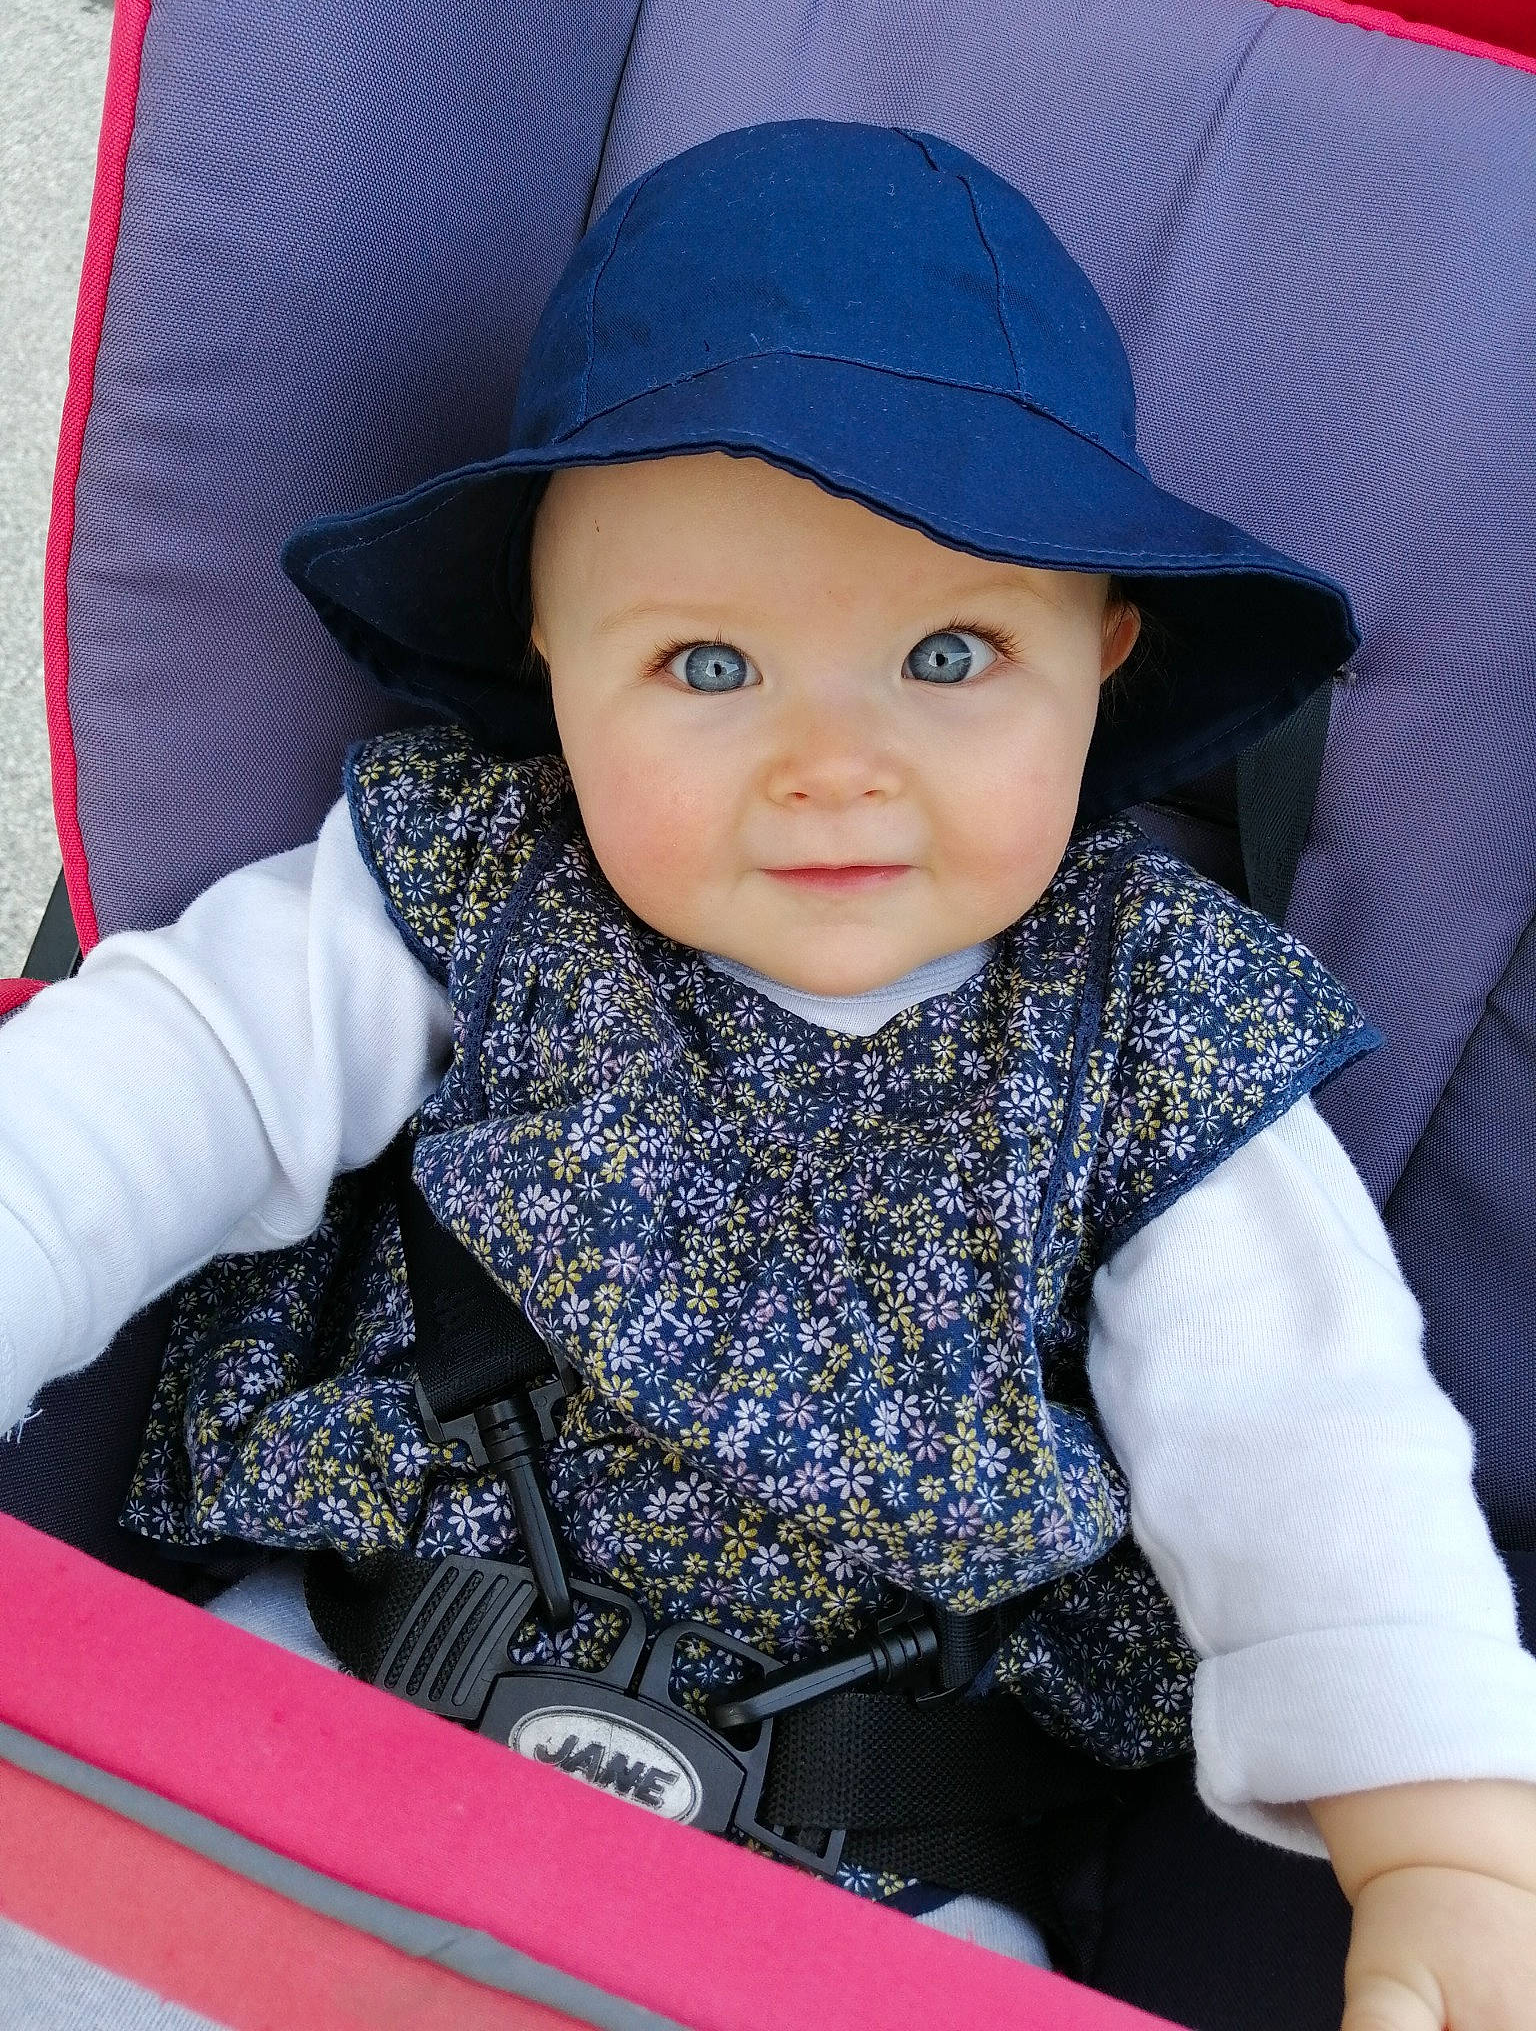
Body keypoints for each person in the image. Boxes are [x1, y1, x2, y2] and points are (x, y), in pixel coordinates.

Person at [2, 120, 1534, 2022]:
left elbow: (1311, 1439)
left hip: (878, 1865)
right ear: (551, 654)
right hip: (342, 1690)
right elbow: (158, 1081)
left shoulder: (1158, 1026)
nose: (833, 762)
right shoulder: (464, 881)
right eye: (710, 668)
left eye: (952, 655)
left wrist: (1452, 1835)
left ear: (1107, 662)